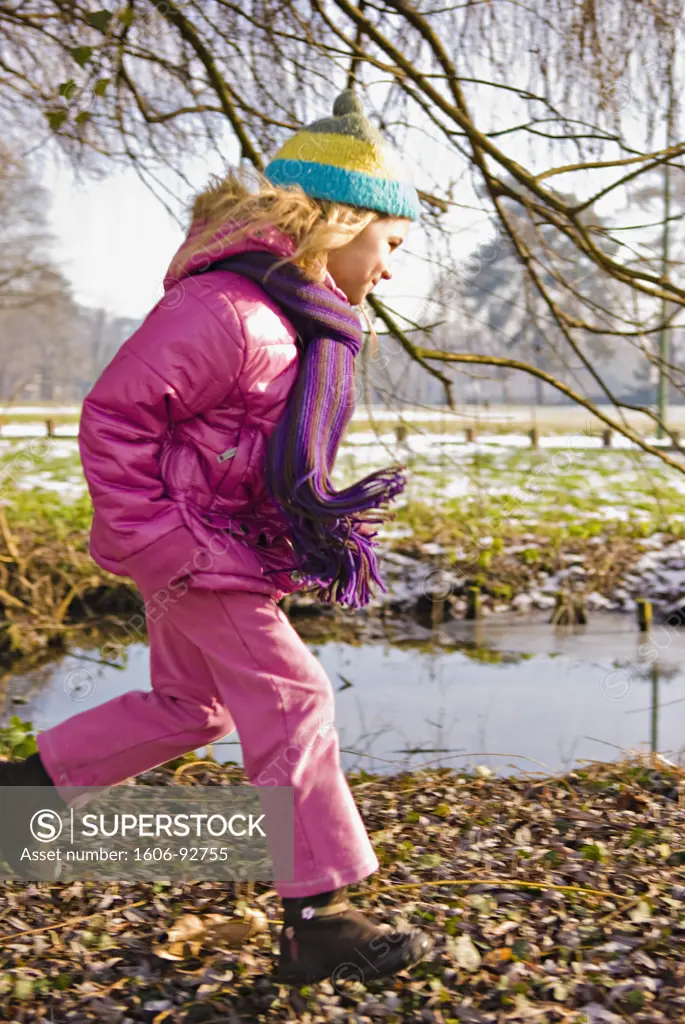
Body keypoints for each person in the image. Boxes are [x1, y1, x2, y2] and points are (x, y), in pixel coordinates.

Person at [0, 90, 432, 985]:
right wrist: (161, 543)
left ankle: (15, 802)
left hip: (222, 549)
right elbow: (113, 418)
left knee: (192, 709)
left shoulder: (296, 323)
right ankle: (318, 913)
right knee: (296, 695)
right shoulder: (230, 311)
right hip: (196, 553)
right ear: (343, 221)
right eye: (389, 244)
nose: (389, 271)